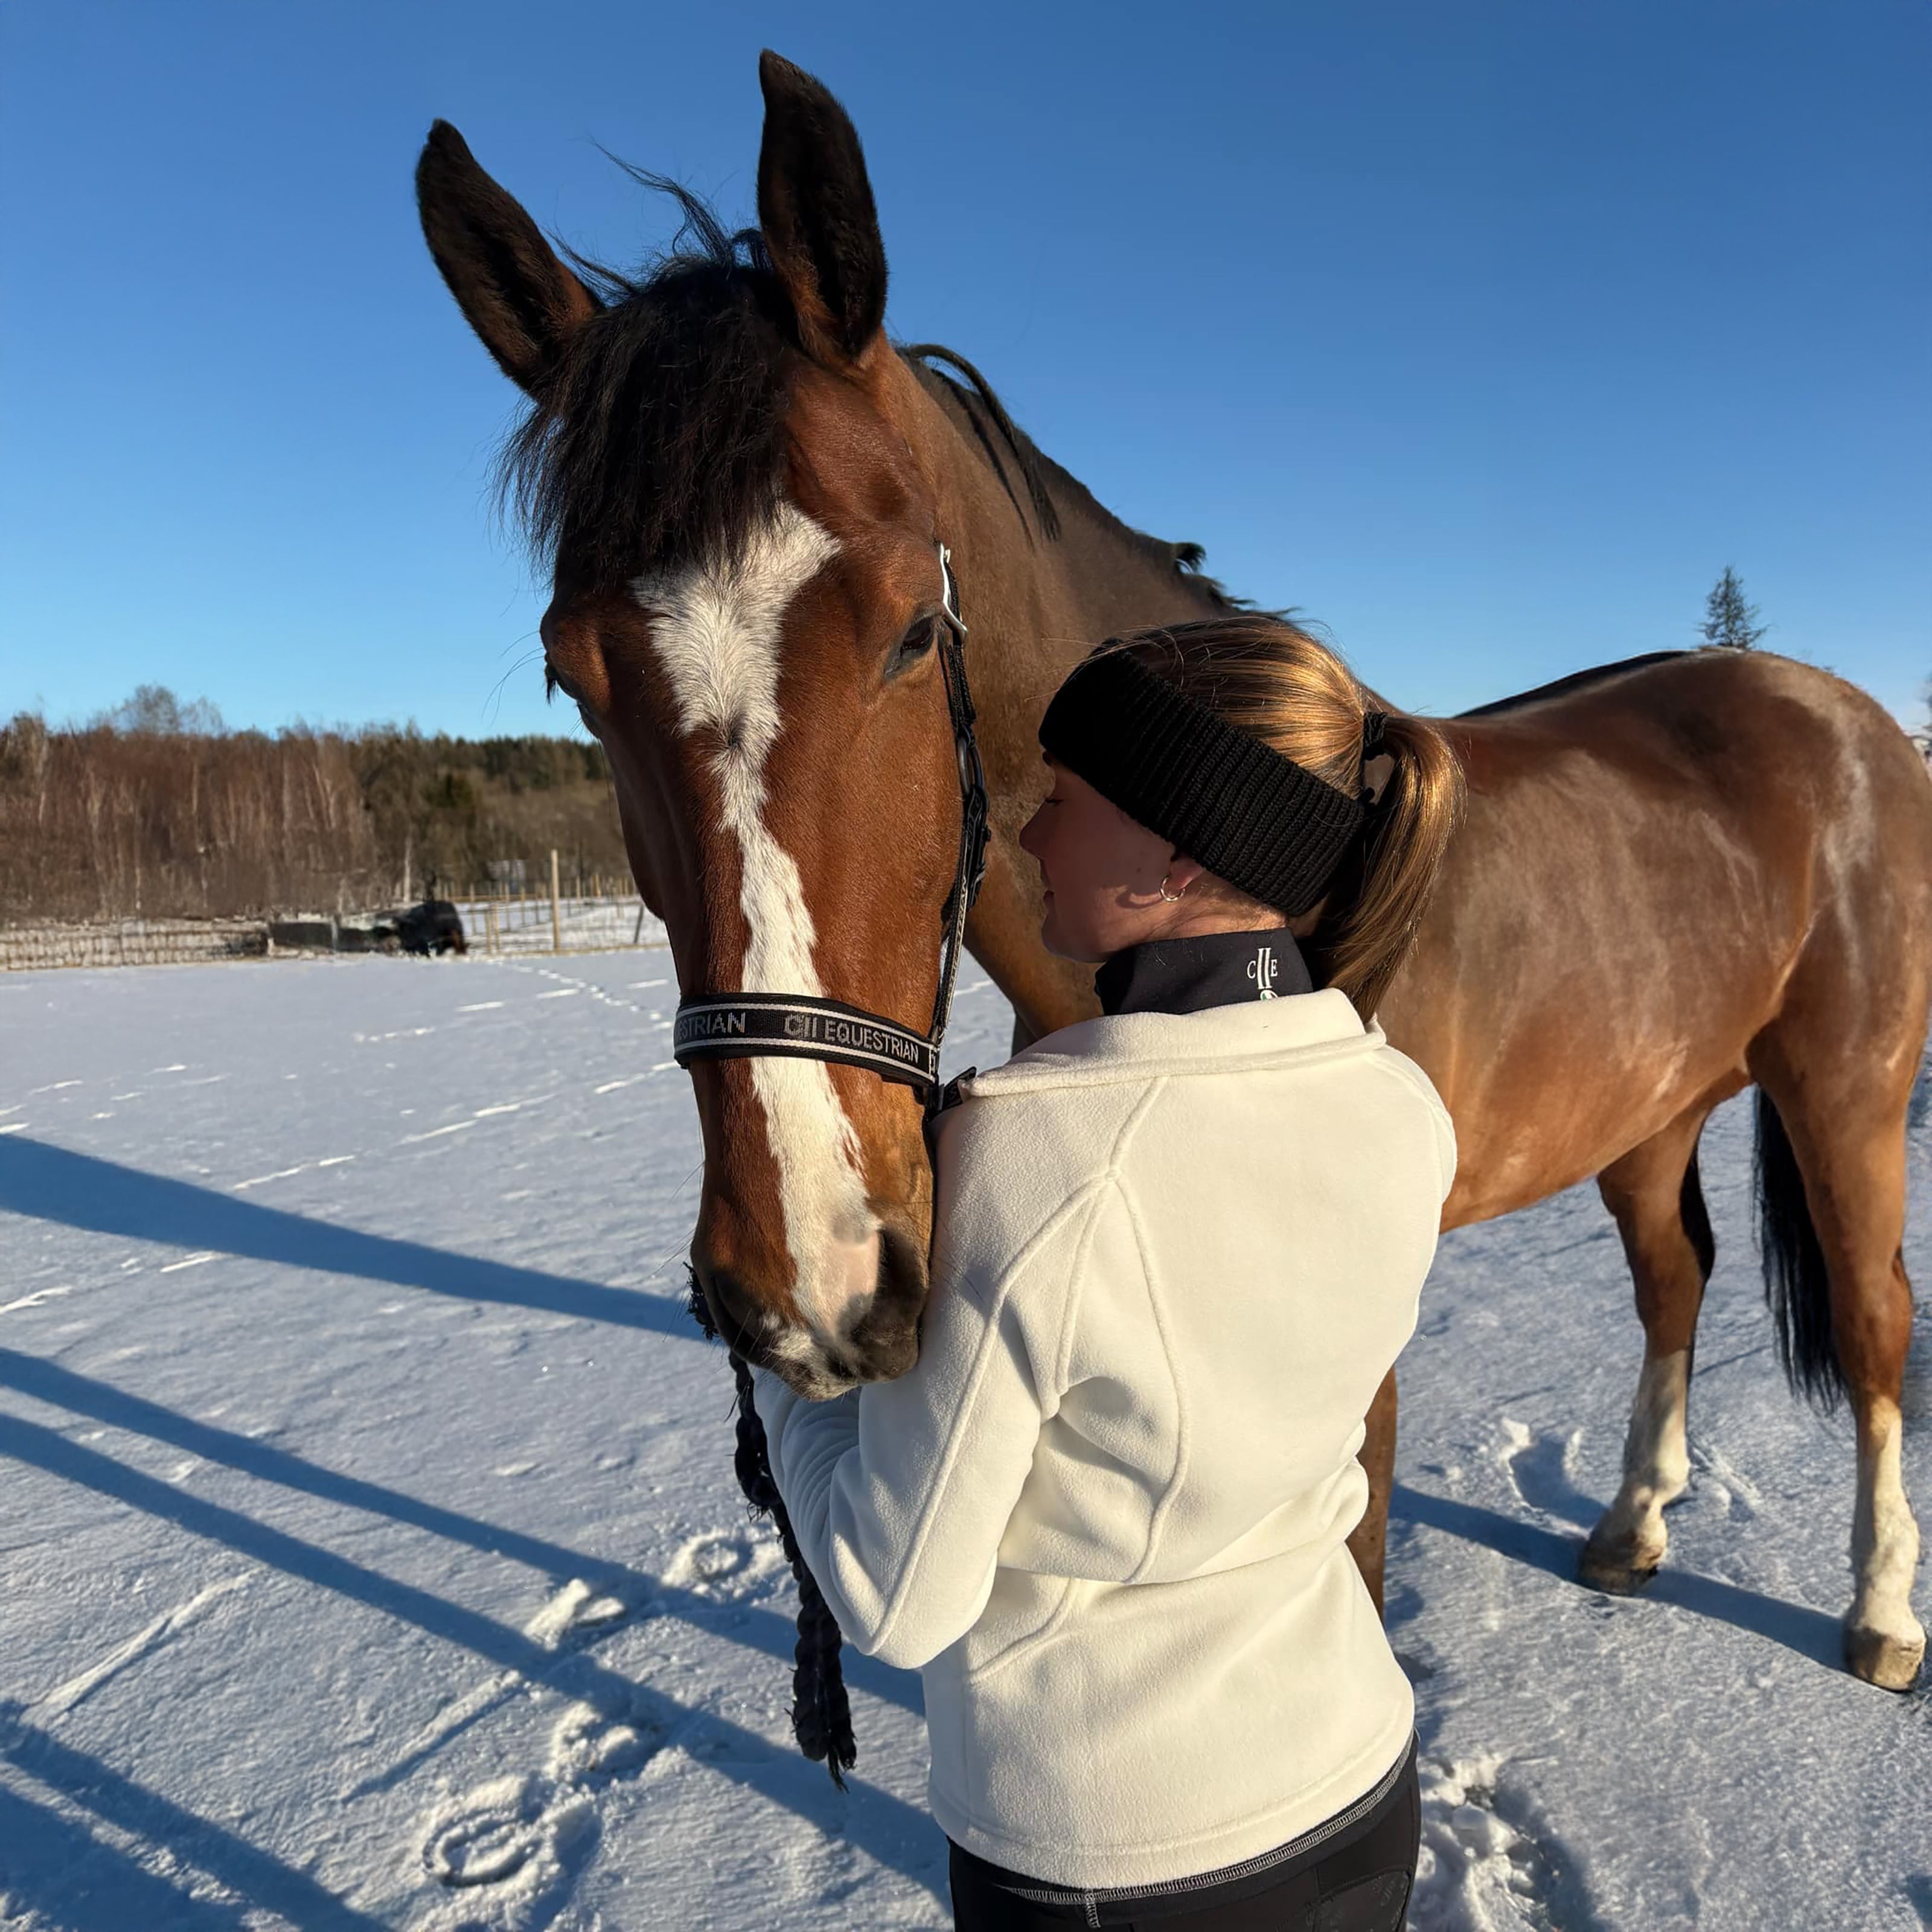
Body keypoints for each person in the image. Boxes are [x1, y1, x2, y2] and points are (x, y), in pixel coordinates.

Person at [752, 614, 1463, 1930]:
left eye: (1065, 798)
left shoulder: (1034, 1161)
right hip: (1359, 1786)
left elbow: (893, 1598)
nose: (1027, 836)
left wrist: (786, 1381)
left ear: (1180, 848)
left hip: (1117, 1858)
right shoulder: (1402, 1106)